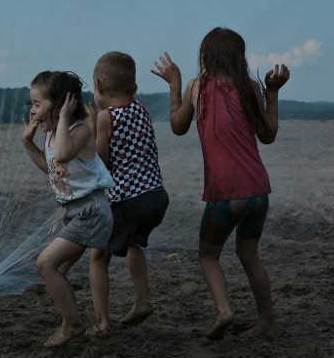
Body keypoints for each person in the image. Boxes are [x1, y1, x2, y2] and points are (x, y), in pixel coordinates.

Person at [152, 27, 289, 340]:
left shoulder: (197, 86)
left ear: (205, 57)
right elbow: (268, 135)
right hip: (258, 192)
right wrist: (273, 92)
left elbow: (177, 127)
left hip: (226, 194)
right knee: (249, 255)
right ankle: (267, 322)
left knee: (208, 256)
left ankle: (225, 311)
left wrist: (175, 84)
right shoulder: (251, 88)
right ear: (239, 57)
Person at [22, 70, 114, 347]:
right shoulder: (52, 137)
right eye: (32, 104)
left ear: (61, 105)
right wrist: (28, 143)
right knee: (56, 269)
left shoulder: (81, 131)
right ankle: (72, 319)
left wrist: (63, 118)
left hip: (91, 211)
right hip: (73, 211)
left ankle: (71, 324)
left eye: (38, 104)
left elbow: (62, 155)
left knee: (45, 263)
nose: (33, 111)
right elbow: (52, 170)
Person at [85, 52, 169, 330]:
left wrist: (91, 126)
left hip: (127, 200)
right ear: (134, 88)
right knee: (132, 243)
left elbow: (101, 163)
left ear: (98, 86)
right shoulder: (140, 108)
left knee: (98, 256)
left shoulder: (105, 118)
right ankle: (142, 300)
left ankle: (102, 321)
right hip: (155, 196)